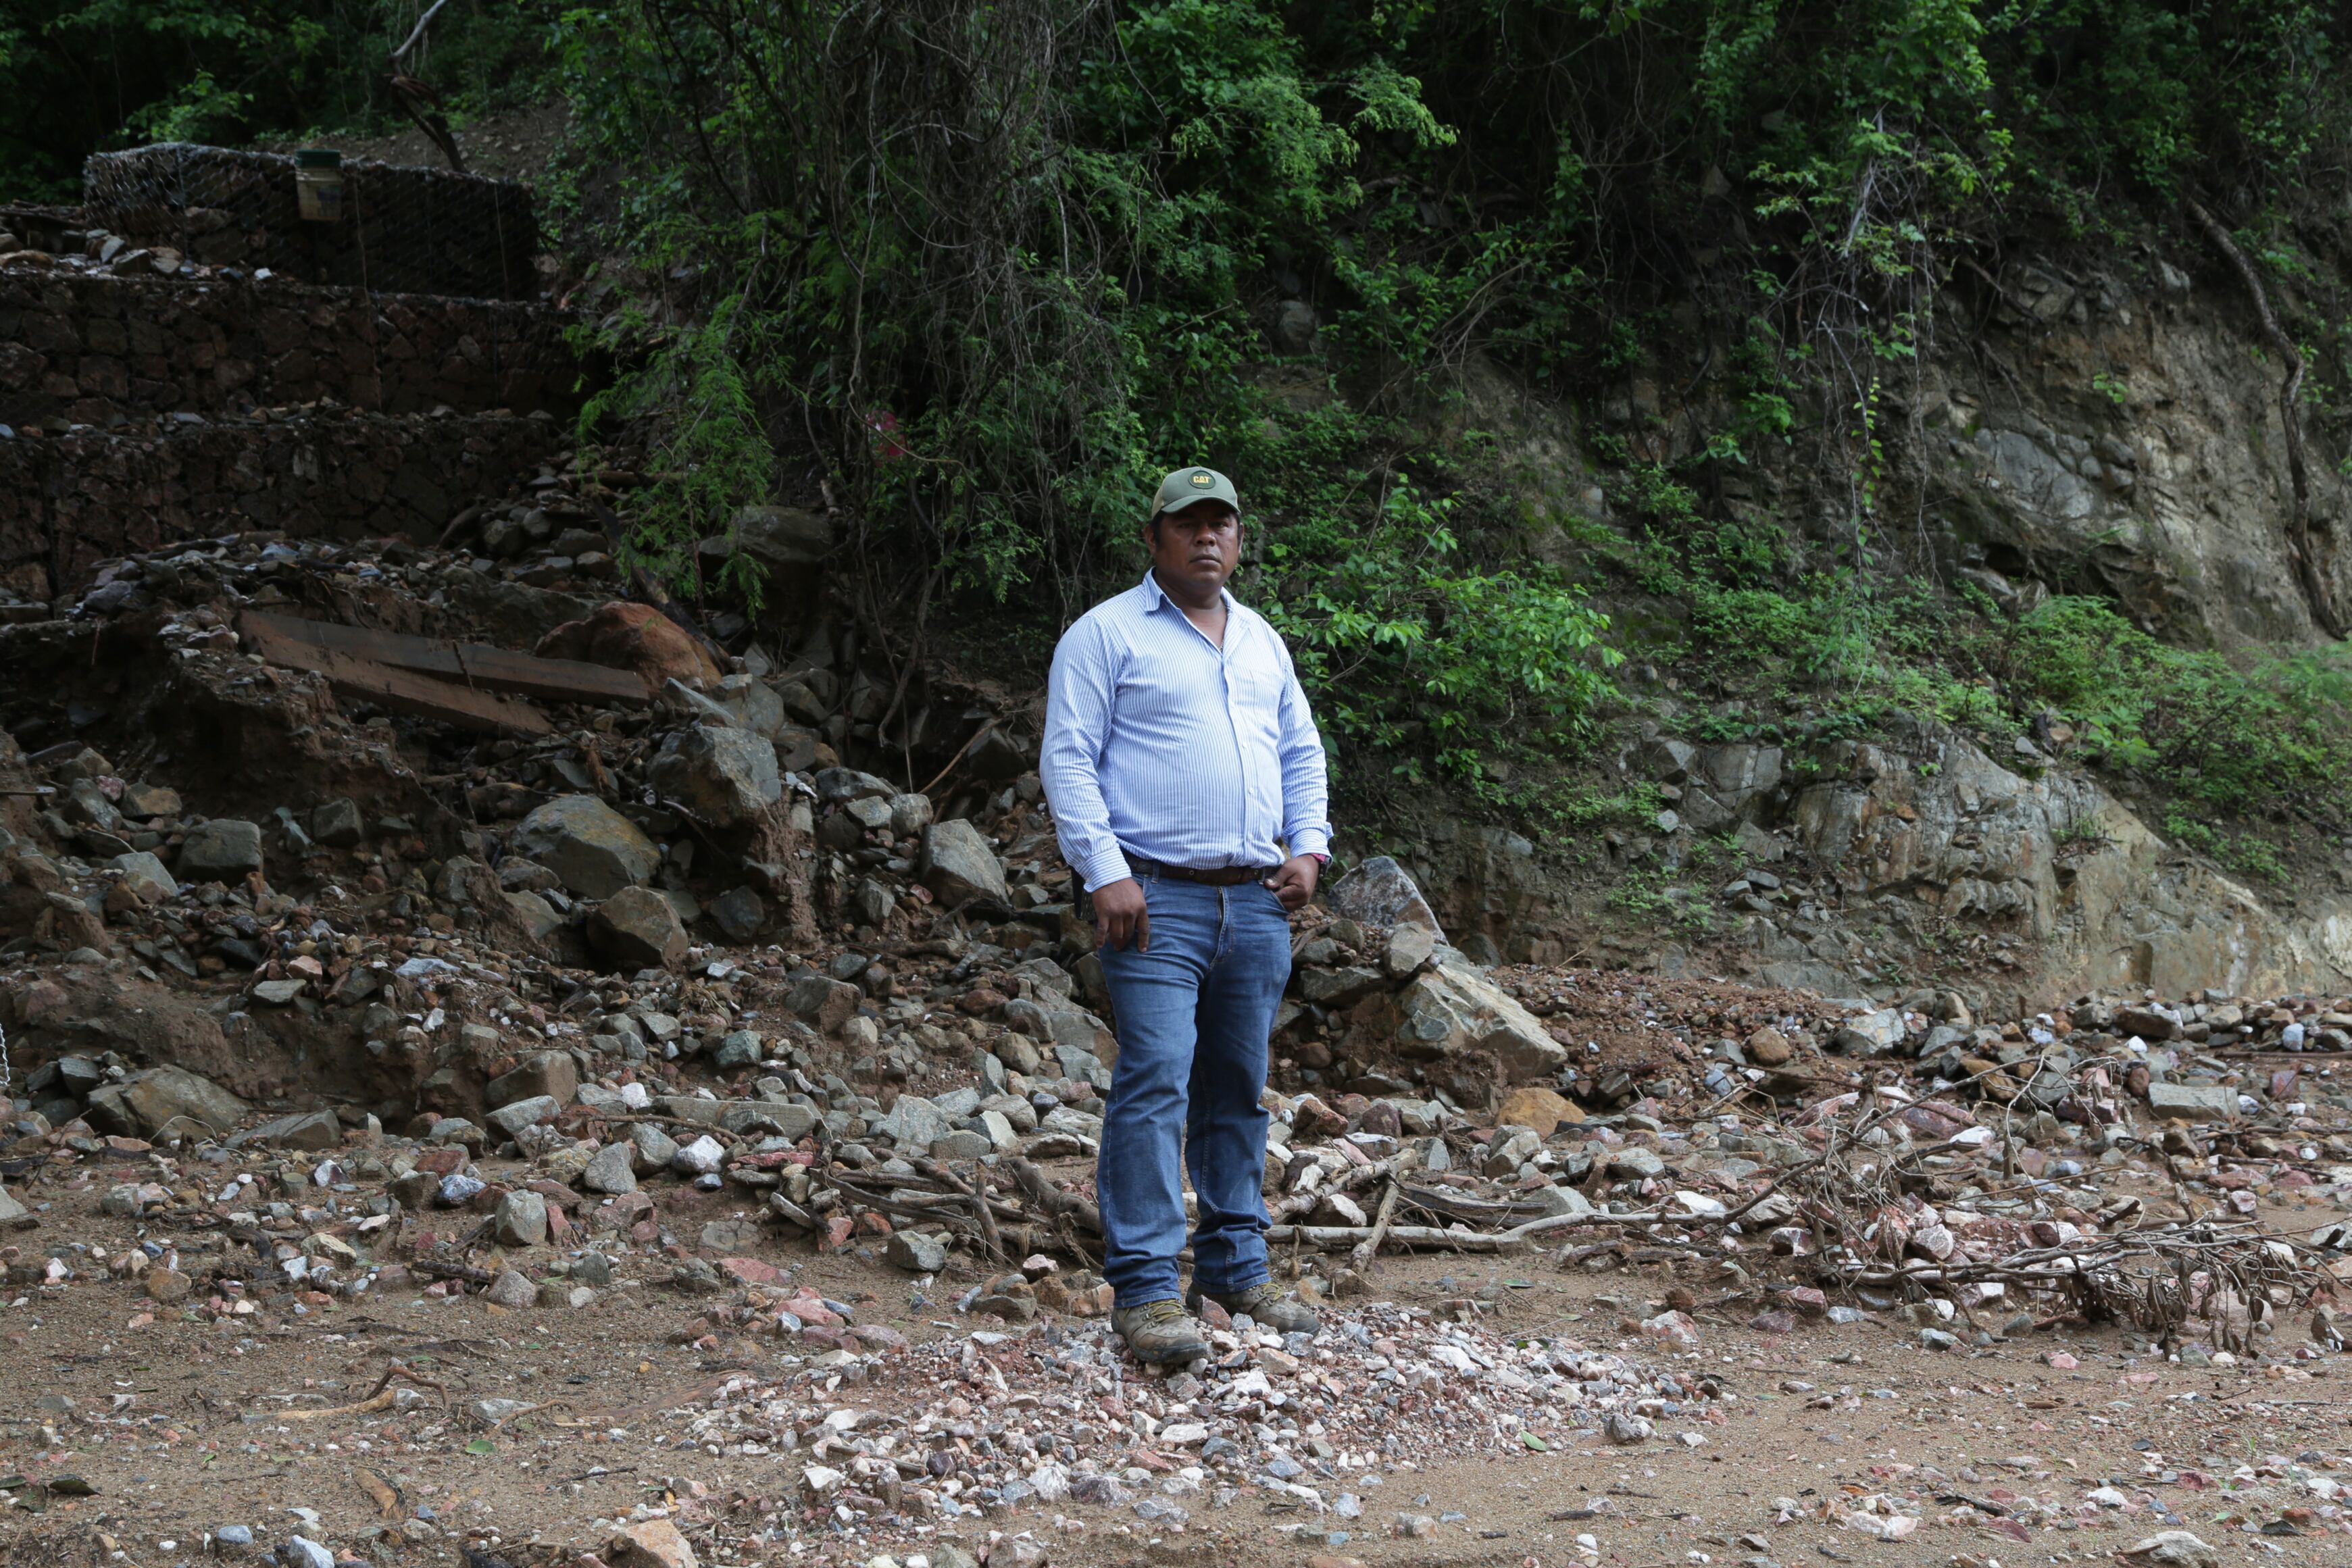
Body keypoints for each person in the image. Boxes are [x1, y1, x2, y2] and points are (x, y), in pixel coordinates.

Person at [1040, 465, 1332, 1365]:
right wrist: (1104, 871)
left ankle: (1235, 1269)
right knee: (1157, 1079)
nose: (1208, 537)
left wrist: (1309, 849)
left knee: (1237, 1087)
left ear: (1239, 538)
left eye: (1223, 524)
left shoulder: (1260, 641)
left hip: (1255, 898)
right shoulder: (1105, 635)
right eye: (1189, 524)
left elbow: (1299, 752)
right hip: (1151, 898)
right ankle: (1144, 1291)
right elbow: (1068, 759)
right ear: (1154, 536)